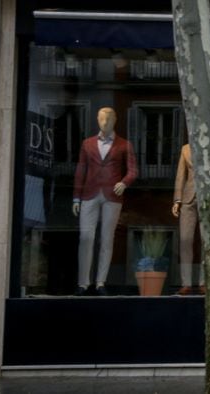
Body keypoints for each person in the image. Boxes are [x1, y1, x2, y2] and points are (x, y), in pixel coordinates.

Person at [72, 107, 137, 296]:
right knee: (86, 238)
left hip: (112, 195)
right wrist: (76, 197)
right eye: (102, 118)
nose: (105, 122)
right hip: (89, 194)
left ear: (115, 120)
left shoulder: (124, 145)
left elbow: (133, 170)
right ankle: (83, 282)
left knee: (107, 239)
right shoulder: (87, 144)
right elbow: (80, 171)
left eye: (109, 118)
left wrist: (124, 183)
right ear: (97, 119)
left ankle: (101, 282)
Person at [172, 143, 204, 295]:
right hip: (188, 198)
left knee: (207, 242)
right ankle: (186, 283)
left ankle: (204, 282)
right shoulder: (185, 149)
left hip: (209, 200)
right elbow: (180, 175)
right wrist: (177, 200)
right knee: (185, 240)